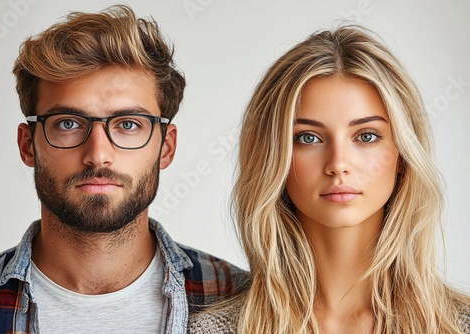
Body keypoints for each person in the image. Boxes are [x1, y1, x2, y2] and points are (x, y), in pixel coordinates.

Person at [0, 5, 245, 334]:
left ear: (166, 147)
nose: (98, 155)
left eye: (128, 124)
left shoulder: (240, 302)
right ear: (28, 144)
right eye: (68, 123)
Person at [188, 25, 470, 333]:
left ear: (402, 155)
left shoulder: (459, 325)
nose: (338, 164)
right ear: (273, 157)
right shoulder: (214, 329)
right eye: (308, 137)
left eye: (366, 136)